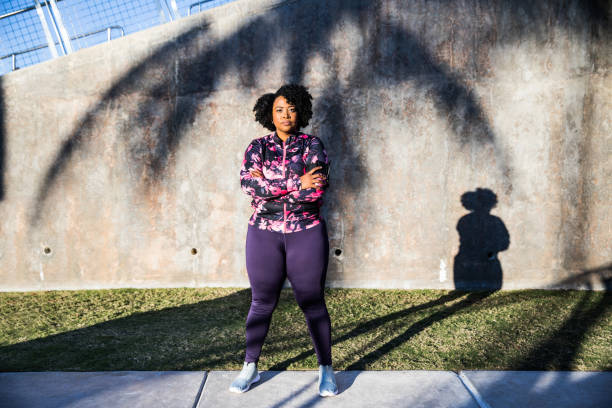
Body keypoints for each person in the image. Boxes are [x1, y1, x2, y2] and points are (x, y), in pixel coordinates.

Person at [230, 84, 337, 397]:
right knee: (261, 302)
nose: (286, 115)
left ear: (300, 111)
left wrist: (274, 186)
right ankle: (250, 366)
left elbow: (314, 190)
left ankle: (326, 369)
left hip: (306, 232)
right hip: (264, 234)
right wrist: (294, 182)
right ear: (269, 113)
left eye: (291, 109)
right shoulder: (257, 147)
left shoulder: (312, 145)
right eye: (279, 109)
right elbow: (250, 186)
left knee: (312, 302)